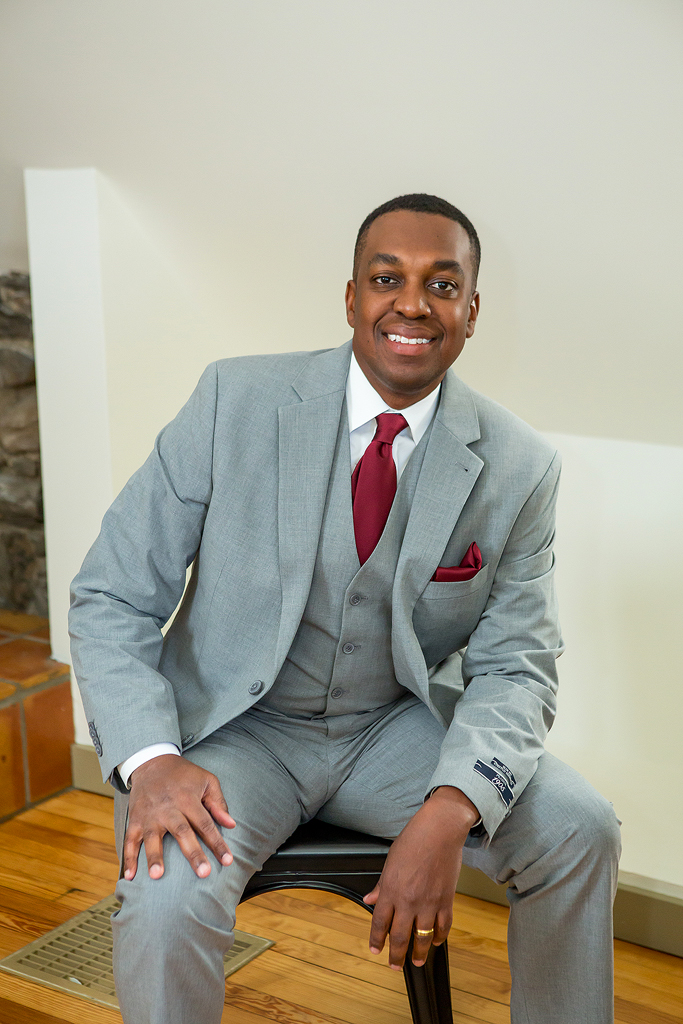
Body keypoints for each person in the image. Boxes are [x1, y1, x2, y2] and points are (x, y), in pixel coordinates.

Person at [69, 193, 621, 1024]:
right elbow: (111, 592)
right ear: (351, 297)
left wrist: (449, 810)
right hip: (233, 736)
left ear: (471, 311)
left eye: (441, 285)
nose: (410, 303)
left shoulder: (518, 467)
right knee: (164, 892)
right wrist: (150, 761)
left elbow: (517, 665)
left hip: (387, 729)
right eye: (385, 278)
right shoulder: (234, 401)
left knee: (580, 828)